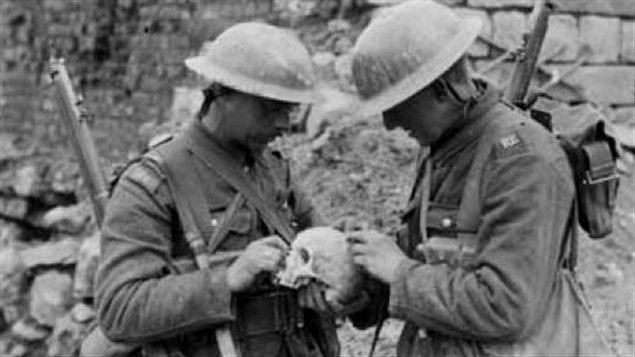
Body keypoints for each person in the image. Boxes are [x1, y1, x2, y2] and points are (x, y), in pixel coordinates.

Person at [346, 1, 581, 355]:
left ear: (441, 89)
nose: (389, 124)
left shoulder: (522, 159)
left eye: (396, 105)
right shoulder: (445, 144)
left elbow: (506, 307)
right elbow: (429, 255)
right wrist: (361, 288)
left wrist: (397, 274)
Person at [95, 22, 339, 357]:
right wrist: (227, 279)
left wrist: (324, 278)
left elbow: (323, 251)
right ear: (223, 92)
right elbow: (119, 309)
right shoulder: (152, 183)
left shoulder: (276, 172)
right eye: (271, 108)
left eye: (290, 109)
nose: (284, 124)